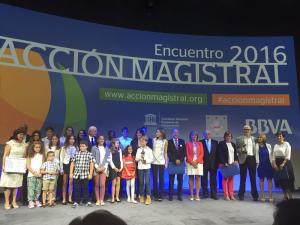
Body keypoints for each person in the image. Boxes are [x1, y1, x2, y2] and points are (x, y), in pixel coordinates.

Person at [0, 128, 28, 209]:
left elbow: (24, 156)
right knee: (8, 185)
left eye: (23, 134)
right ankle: (7, 202)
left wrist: (24, 165)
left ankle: (14, 201)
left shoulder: (24, 144)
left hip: (18, 167)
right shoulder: (10, 143)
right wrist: (4, 166)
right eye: (20, 134)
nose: (22, 136)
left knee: (16, 185)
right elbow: (5, 155)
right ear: (16, 135)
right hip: (10, 166)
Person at [236, 125, 259, 201]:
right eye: (245, 130)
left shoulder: (254, 139)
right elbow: (237, 149)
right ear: (243, 130)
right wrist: (241, 150)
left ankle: (255, 195)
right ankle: (241, 195)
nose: (246, 131)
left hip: (252, 158)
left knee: (253, 178)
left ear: (250, 131)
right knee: (243, 178)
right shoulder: (239, 139)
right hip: (243, 159)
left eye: (248, 130)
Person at [70, 140, 94, 208]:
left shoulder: (89, 154)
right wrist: (71, 173)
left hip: (85, 174)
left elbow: (91, 164)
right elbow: (72, 163)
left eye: (83, 146)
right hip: (76, 174)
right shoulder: (76, 154)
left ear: (86, 147)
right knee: (76, 188)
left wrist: (90, 174)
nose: (81, 147)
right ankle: (76, 201)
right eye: (80, 146)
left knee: (85, 188)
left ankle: (87, 201)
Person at [272, 132, 295, 200]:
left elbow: (288, 155)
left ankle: (290, 197)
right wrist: (274, 164)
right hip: (277, 163)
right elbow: (273, 156)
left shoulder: (287, 144)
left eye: (280, 136)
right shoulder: (276, 145)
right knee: (281, 180)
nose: (279, 137)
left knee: (287, 181)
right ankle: (285, 196)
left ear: (283, 137)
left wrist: (283, 163)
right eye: (278, 136)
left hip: (285, 163)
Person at [217, 131, 239, 200]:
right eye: (227, 136)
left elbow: (235, 154)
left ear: (231, 137)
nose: (228, 137)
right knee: (225, 179)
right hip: (225, 164)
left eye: (229, 136)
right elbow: (219, 154)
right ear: (225, 137)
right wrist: (224, 162)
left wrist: (236, 160)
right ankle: (226, 195)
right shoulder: (221, 143)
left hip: (232, 164)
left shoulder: (233, 144)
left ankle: (231, 195)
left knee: (231, 179)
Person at [167, 128, 186, 201]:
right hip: (172, 163)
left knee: (180, 180)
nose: (176, 134)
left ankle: (179, 195)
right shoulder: (169, 142)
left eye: (177, 132)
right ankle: (170, 196)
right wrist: (175, 160)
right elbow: (168, 153)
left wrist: (180, 160)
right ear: (172, 133)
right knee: (171, 180)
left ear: (179, 133)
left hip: (180, 163)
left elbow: (184, 152)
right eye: (174, 132)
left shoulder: (182, 141)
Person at [91, 135, 110, 206]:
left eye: (103, 139)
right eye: (100, 139)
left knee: (102, 184)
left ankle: (102, 199)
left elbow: (108, 158)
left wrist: (104, 167)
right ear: (97, 140)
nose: (102, 140)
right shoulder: (94, 148)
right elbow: (92, 157)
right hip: (96, 168)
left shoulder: (106, 148)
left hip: (104, 168)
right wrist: (96, 167)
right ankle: (98, 200)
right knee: (96, 184)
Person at [200, 130, 219, 200]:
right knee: (204, 179)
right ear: (203, 135)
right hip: (203, 164)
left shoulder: (215, 142)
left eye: (209, 134)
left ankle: (214, 194)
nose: (207, 135)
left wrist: (218, 163)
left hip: (213, 164)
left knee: (213, 179)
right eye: (206, 134)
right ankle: (205, 193)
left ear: (211, 135)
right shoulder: (200, 142)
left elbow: (217, 154)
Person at [186, 131, 204, 201]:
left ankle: (197, 194)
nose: (194, 137)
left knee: (197, 178)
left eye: (195, 135)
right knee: (191, 178)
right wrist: (192, 162)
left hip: (198, 162)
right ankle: (191, 194)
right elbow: (187, 154)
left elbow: (202, 154)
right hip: (190, 163)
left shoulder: (200, 143)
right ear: (190, 136)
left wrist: (196, 162)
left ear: (197, 136)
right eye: (193, 135)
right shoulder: (187, 143)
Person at [26, 141, 45, 208]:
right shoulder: (29, 155)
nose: (38, 148)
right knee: (31, 188)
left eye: (39, 147)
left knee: (38, 188)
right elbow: (28, 166)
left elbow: (43, 165)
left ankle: (36, 200)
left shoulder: (42, 155)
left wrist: (40, 173)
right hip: (31, 175)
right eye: (36, 147)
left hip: (39, 175)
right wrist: (34, 173)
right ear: (33, 148)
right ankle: (31, 201)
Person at [60, 135, 78, 204]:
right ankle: (64, 199)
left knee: (71, 182)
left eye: (73, 139)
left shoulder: (76, 147)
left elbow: (77, 157)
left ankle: (70, 198)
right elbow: (61, 158)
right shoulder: (64, 148)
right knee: (64, 182)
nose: (72, 140)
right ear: (68, 140)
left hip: (73, 165)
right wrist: (61, 168)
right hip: (66, 164)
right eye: (70, 139)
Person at [135, 136, 153, 205]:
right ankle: (141, 196)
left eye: (143, 141)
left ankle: (148, 197)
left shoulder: (149, 150)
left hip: (147, 167)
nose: (142, 142)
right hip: (140, 167)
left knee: (147, 182)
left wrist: (146, 161)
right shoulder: (139, 150)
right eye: (141, 141)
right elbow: (136, 159)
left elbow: (151, 159)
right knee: (141, 182)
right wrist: (139, 158)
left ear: (146, 142)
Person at [45, 133, 62, 203]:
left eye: (56, 139)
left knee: (54, 184)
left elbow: (61, 158)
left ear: (58, 140)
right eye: (53, 139)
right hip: (48, 167)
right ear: (51, 140)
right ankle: (46, 198)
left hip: (56, 167)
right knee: (47, 183)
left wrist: (60, 169)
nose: (54, 140)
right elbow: (45, 157)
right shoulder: (47, 147)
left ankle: (52, 198)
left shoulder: (60, 148)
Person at [256, 133, 274, 202]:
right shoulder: (256, 146)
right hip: (260, 165)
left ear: (264, 138)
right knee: (261, 180)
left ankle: (270, 196)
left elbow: (271, 155)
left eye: (260, 137)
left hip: (269, 165)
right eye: (259, 137)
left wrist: (272, 163)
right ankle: (262, 196)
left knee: (269, 180)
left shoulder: (268, 145)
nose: (259, 139)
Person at [152, 128, 168, 201]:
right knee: (155, 179)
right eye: (156, 132)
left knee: (161, 179)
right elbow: (152, 151)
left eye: (157, 132)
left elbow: (165, 152)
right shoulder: (154, 140)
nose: (156, 133)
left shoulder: (165, 141)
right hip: (154, 162)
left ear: (161, 133)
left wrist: (166, 162)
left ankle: (160, 195)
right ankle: (155, 194)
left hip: (161, 162)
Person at [108, 139, 123, 203]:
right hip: (113, 168)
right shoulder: (110, 150)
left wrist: (121, 167)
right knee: (114, 183)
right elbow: (110, 161)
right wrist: (114, 168)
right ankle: (113, 197)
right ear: (113, 144)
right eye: (117, 143)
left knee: (118, 183)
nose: (118, 144)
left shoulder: (120, 150)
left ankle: (117, 197)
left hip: (119, 168)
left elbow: (121, 159)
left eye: (118, 143)